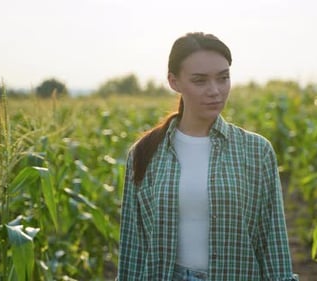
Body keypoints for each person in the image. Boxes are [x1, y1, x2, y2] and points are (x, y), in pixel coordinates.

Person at [117, 32, 298, 281]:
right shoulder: (144, 152)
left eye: (223, 78)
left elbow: (272, 240)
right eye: (200, 81)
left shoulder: (257, 151)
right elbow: (133, 246)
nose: (215, 91)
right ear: (174, 82)